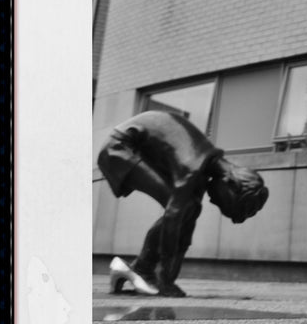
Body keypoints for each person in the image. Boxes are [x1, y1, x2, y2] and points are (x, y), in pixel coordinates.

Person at [97, 108, 269, 297]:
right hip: (120, 148)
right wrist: (166, 281)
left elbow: (187, 225)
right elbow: (174, 218)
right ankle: (143, 270)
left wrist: (170, 275)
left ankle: (138, 268)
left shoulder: (204, 166)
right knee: (181, 208)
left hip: (136, 147)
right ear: (230, 184)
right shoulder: (191, 166)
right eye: (221, 203)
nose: (213, 201)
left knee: (190, 208)